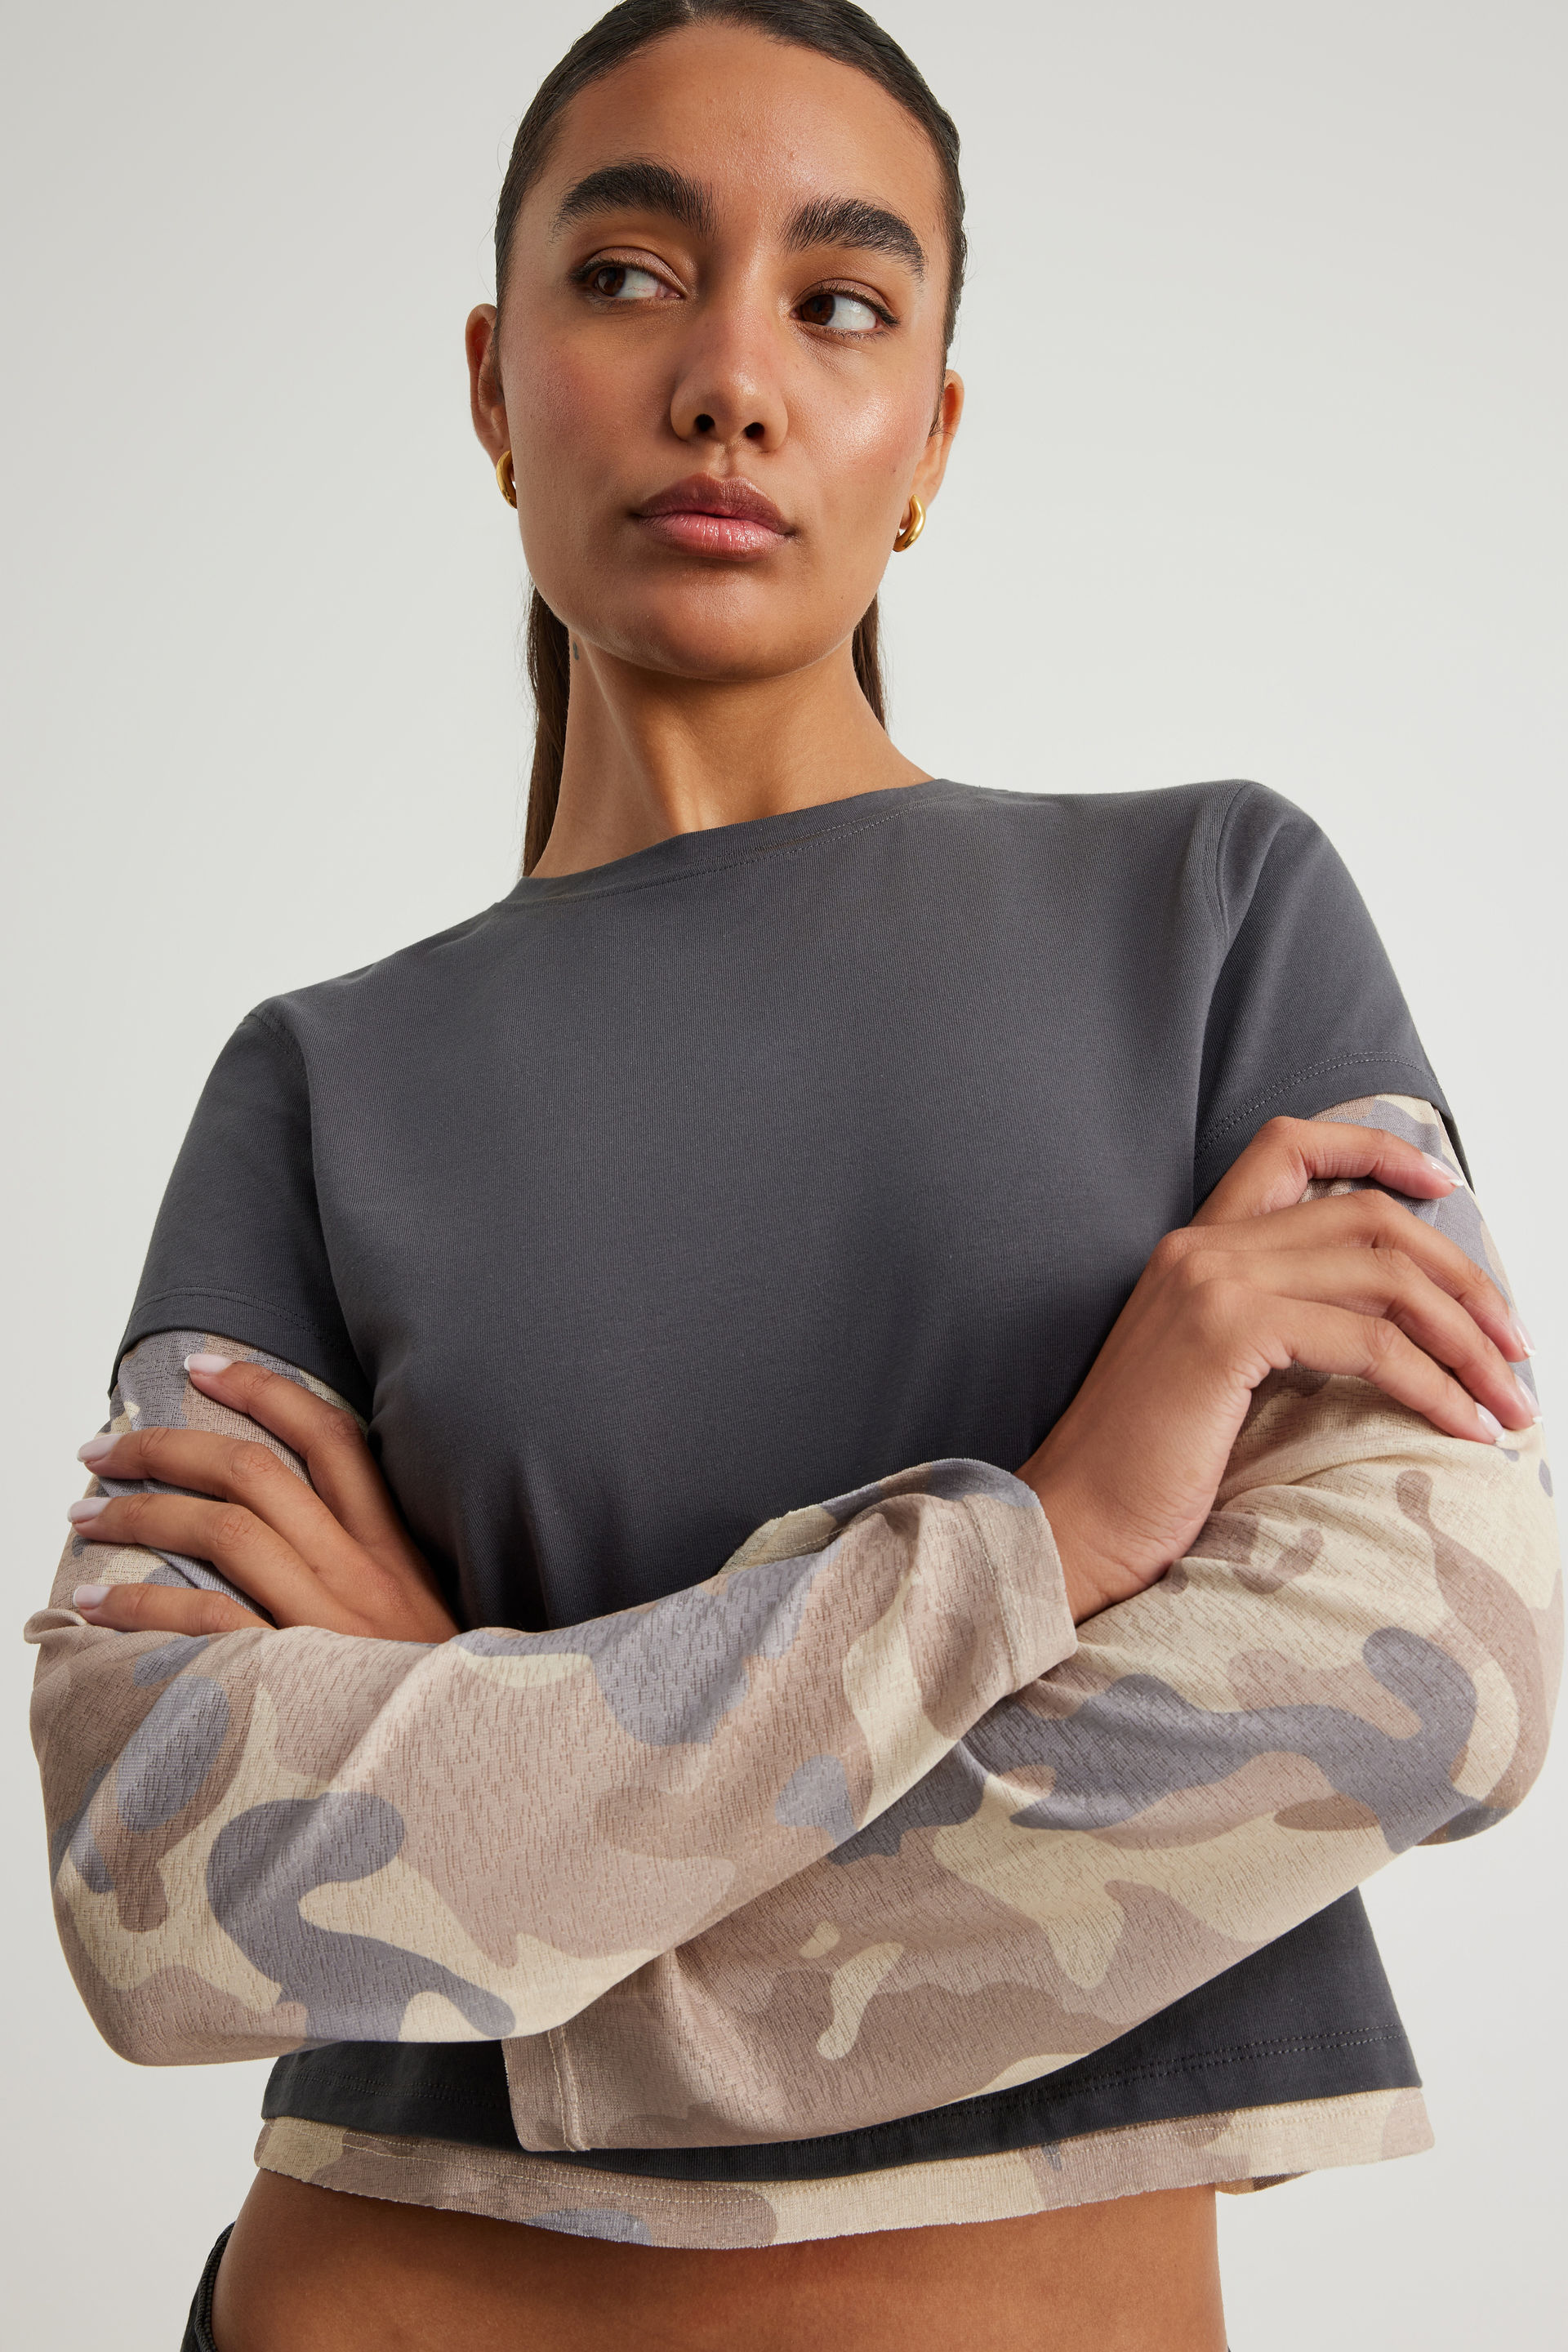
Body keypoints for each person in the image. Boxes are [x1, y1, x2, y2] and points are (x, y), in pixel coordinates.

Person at [28, 5, 1557, 2348]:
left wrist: (479, 1762)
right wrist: (1043, 1541)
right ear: (491, 381)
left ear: (928, 432)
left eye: (838, 302)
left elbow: (1422, 1676)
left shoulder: (1216, 918)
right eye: (628, 275)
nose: (730, 378)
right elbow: (165, 1871)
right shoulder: (318, 1085)